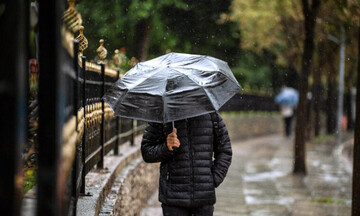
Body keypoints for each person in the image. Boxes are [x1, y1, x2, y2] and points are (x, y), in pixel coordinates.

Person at [141, 112, 232, 216]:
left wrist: (213, 179)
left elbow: (225, 150)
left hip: (203, 199)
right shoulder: (163, 115)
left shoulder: (211, 114)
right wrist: (166, 147)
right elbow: (147, 152)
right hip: (173, 198)